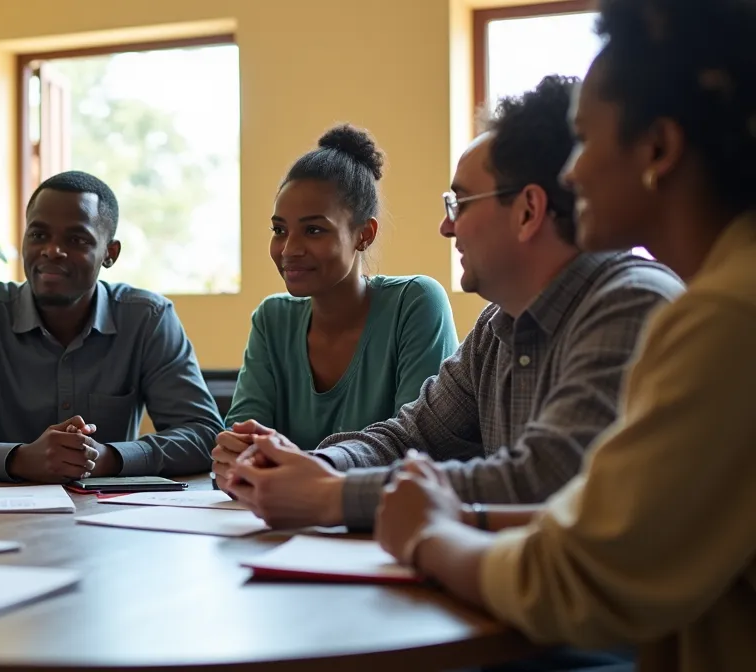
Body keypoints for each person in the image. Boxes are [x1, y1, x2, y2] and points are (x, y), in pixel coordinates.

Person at [377, 1, 756, 669]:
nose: (569, 173)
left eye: (584, 140)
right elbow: (620, 523)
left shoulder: (723, 318)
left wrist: (430, 536)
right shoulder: (716, 297)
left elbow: (576, 575)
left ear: (658, 150)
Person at [222, 74, 683, 531]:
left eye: (459, 204)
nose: (447, 227)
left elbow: (546, 479)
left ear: (528, 211)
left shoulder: (630, 304)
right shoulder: (496, 327)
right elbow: (409, 436)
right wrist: (312, 466)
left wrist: (333, 495)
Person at [0, 170, 222, 483]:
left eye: (76, 239)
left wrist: (108, 457)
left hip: (114, 514)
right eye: (38, 235)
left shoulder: (147, 318)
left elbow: (203, 433)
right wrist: (18, 458)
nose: (52, 250)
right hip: (0, 512)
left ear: (109, 254)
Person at [216, 124, 457, 487]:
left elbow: (418, 453)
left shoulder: (416, 303)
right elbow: (239, 452)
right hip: (286, 524)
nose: (289, 249)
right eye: (279, 230)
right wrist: (233, 456)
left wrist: (295, 467)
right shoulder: (272, 319)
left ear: (364, 234)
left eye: (314, 230)